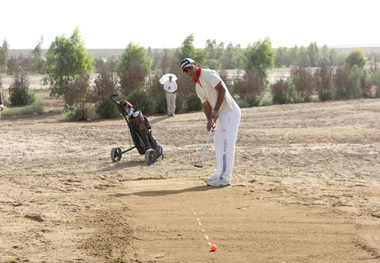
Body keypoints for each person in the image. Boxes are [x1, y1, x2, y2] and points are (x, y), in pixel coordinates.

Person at [181, 58, 241, 187]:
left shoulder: (207, 74)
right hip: (221, 115)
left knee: (226, 147)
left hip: (230, 112)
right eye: (186, 71)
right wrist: (209, 119)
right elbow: (206, 105)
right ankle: (219, 173)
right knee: (218, 144)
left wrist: (216, 110)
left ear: (195, 65)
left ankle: (225, 178)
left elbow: (222, 90)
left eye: (189, 68)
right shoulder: (197, 86)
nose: (189, 71)